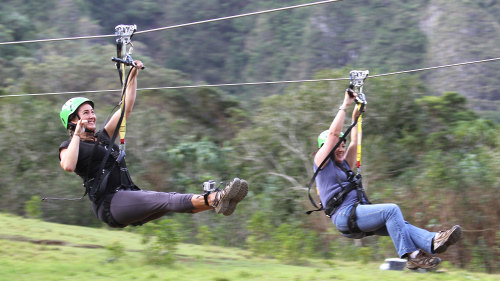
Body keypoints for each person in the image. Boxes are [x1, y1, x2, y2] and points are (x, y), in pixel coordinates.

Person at [59, 60, 248, 228]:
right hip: (110, 204)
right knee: (166, 199)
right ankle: (217, 197)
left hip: (128, 196)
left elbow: (126, 108)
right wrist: (77, 134)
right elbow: (68, 165)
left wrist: (133, 76)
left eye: (92, 111)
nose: (92, 116)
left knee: (170, 201)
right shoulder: (68, 145)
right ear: (73, 120)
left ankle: (218, 202)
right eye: (86, 113)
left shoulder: (103, 138)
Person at [313, 89, 461, 270]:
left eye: (342, 146)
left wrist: (356, 115)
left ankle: (432, 241)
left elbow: (354, 142)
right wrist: (345, 105)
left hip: (355, 214)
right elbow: (333, 136)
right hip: (345, 216)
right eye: (337, 146)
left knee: (399, 224)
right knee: (392, 210)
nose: (341, 149)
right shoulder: (322, 163)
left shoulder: (343, 165)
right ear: (324, 147)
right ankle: (412, 256)